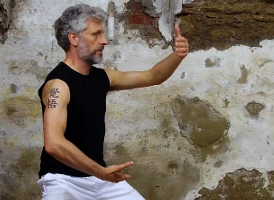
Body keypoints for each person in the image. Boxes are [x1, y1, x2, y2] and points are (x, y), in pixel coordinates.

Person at [37, 3, 189, 200]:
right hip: (62, 181)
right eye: (96, 34)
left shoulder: (102, 78)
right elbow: (54, 144)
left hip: (100, 178)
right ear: (74, 38)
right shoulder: (58, 85)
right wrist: (100, 171)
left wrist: (177, 55)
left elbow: (152, 76)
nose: (105, 41)